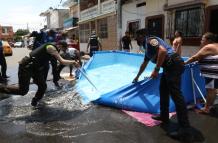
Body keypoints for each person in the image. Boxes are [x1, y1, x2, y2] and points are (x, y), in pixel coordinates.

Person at [133, 28, 191, 139]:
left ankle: (185, 129)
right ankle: (164, 116)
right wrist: (137, 77)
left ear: (141, 36)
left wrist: (156, 69)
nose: (137, 41)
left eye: (137, 38)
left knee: (176, 96)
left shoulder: (150, 40)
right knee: (163, 90)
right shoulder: (147, 48)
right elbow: (144, 64)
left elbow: (163, 51)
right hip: (168, 66)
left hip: (173, 64)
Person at [0, 41, 79, 107]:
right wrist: (73, 62)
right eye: (64, 49)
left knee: (43, 86)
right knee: (23, 91)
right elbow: (62, 61)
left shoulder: (55, 50)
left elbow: (56, 63)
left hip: (35, 68)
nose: (64, 51)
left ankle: (35, 102)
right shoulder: (51, 47)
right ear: (60, 46)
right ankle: (1, 88)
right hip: (26, 66)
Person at [185, 32, 218, 114]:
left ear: (209, 40)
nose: (201, 41)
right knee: (213, 90)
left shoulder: (208, 47)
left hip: (212, 73)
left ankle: (206, 109)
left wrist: (184, 63)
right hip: (215, 72)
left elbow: (195, 57)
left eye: (203, 39)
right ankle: (211, 106)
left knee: (210, 90)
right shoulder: (216, 45)